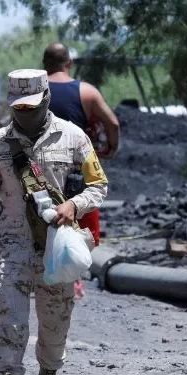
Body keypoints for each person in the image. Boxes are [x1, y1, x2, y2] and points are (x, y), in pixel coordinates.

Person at [0, 69, 108, 375]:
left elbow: (98, 184)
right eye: (18, 107)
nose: (24, 113)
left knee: (55, 323)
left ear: (46, 98)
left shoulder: (73, 137)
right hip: (13, 246)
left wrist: (74, 206)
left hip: (57, 248)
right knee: (10, 322)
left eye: (31, 106)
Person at [43, 42, 121, 298]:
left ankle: (45, 274)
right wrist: (111, 148)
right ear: (70, 63)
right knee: (81, 224)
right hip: (76, 168)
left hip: (41, 168)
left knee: (42, 222)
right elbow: (113, 122)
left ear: (44, 64)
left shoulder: (36, 89)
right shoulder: (86, 92)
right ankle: (73, 277)